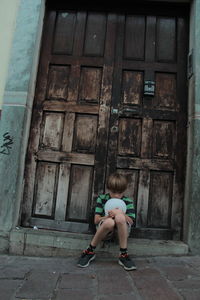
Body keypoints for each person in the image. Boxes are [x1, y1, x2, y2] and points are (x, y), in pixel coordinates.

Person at [77, 172, 136, 271]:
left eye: (120, 193)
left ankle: (123, 254)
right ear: (108, 189)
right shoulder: (102, 199)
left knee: (120, 218)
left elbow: (131, 221)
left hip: (121, 233)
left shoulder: (128, 201)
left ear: (124, 190)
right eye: (114, 192)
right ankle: (90, 251)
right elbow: (96, 220)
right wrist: (107, 216)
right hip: (105, 231)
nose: (117, 196)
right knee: (110, 222)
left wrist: (120, 213)